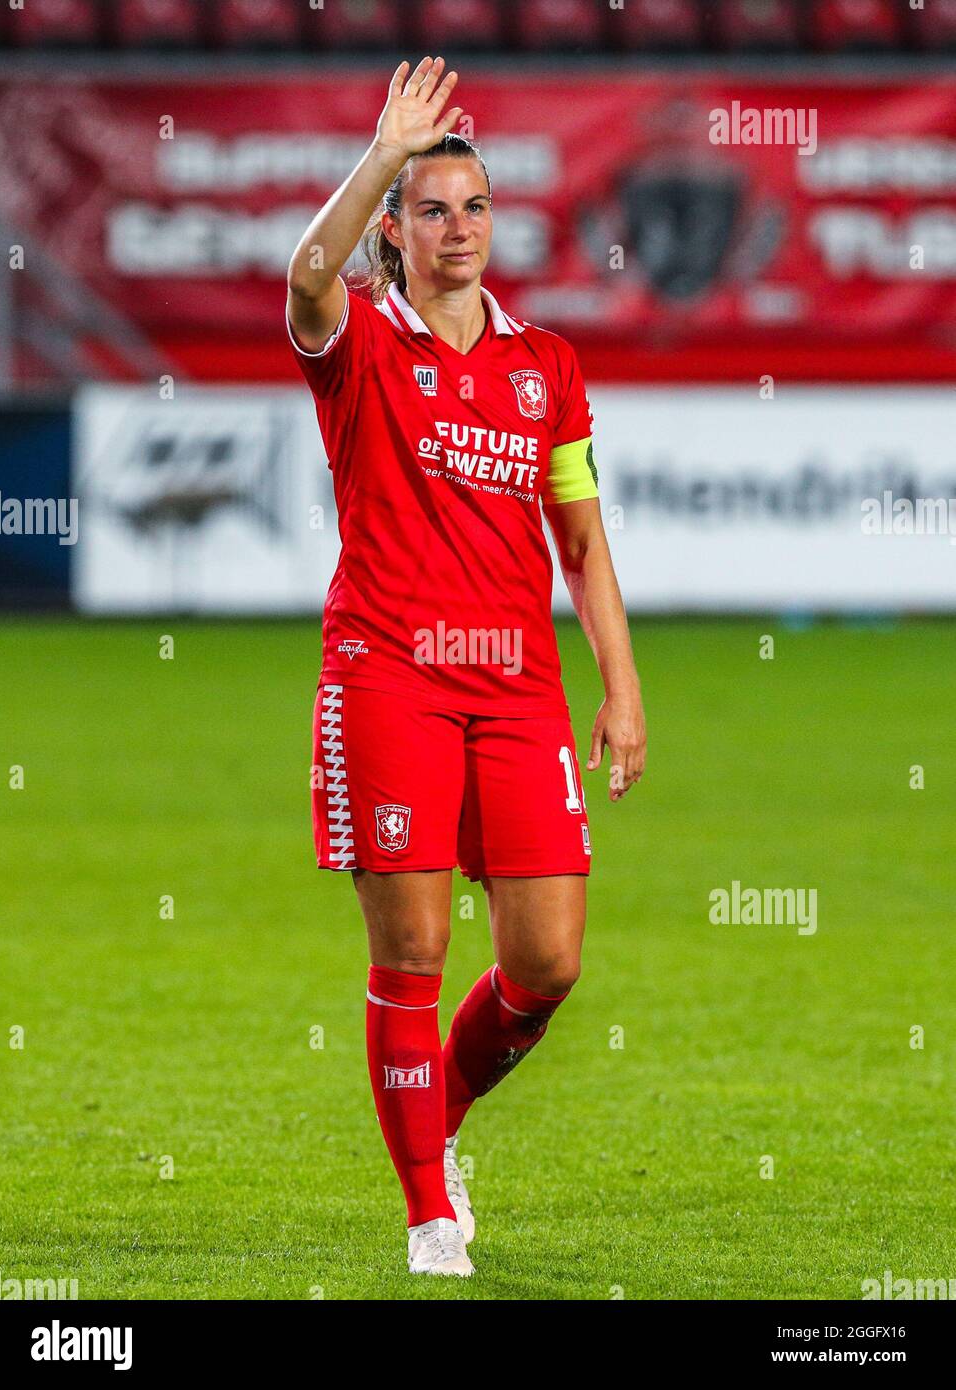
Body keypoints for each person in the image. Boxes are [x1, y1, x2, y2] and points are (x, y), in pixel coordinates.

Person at [287, 56, 646, 1277]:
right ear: (394, 227)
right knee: (415, 952)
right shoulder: (359, 346)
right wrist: (383, 151)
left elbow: (584, 541)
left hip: (516, 686)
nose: (459, 229)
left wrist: (622, 683)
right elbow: (303, 276)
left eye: (475, 206)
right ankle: (428, 1207)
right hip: (387, 673)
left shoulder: (546, 366)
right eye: (432, 209)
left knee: (547, 960)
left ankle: (433, 1122)